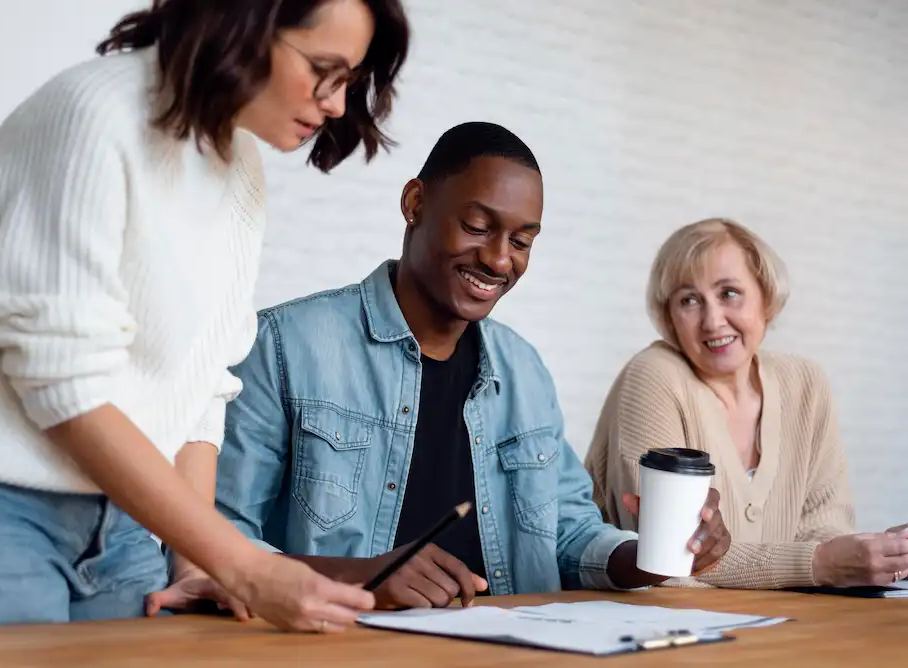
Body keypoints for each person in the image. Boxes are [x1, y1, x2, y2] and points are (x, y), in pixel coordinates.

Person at [0, 0, 410, 631]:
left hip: (124, 527)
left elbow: (203, 387)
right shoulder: (93, 114)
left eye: (349, 80)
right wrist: (244, 565)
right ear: (244, 23)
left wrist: (199, 560)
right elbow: (65, 385)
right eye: (323, 70)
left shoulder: (239, 168)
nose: (337, 103)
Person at [148, 122, 731, 614]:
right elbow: (217, 542)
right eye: (478, 227)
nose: (500, 259)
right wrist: (362, 576)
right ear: (414, 203)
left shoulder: (523, 370)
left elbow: (568, 535)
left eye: (522, 241)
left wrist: (653, 556)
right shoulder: (283, 346)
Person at [584, 218, 908, 589]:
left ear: (766, 297)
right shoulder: (654, 376)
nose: (712, 321)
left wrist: (881, 553)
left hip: (772, 624)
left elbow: (824, 527)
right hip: (649, 626)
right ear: (670, 318)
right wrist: (820, 563)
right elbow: (674, 558)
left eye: (729, 293)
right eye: (689, 300)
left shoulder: (805, 383)